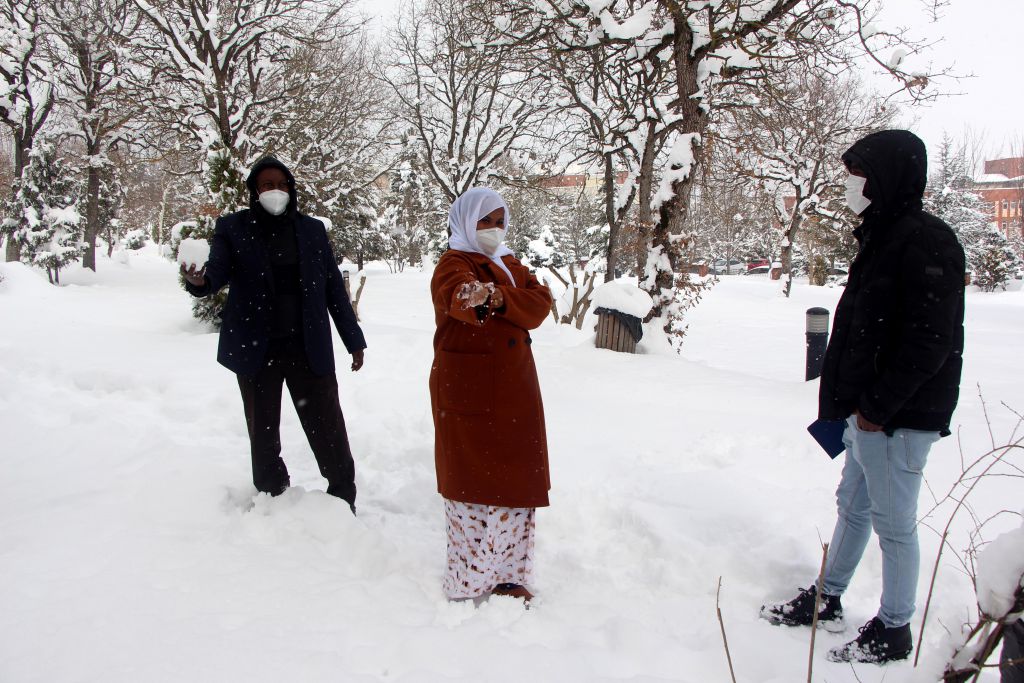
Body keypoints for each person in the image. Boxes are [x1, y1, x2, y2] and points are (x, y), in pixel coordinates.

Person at [760, 130, 966, 664]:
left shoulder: (925, 240)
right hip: (869, 413)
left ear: (889, 176)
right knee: (853, 506)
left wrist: (876, 408)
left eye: (860, 174)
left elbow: (930, 342)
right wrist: (852, 407)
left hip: (899, 416)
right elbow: (865, 330)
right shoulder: (883, 234)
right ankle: (828, 598)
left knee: (894, 524)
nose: (852, 184)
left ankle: (894, 629)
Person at [181, 157, 366, 512]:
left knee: (327, 426)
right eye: (266, 185)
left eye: (280, 184)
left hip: (306, 345)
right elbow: (215, 274)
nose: (274, 191)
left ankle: (343, 496)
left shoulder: (311, 230)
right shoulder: (233, 228)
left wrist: (353, 340)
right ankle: (272, 496)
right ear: (254, 191)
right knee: (263, 430)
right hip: (257, 347)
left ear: (291, 188)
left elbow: (332, 289)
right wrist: (199, 280)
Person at [428, 187, 552, 603]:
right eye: (486, 221)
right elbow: (461, 298)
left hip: (514, 389)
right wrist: (486, 298)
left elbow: (539, 304)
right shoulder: (453, 263)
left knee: (514, 485)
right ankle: (468, 579)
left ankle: (507, 576)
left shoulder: (510, 263)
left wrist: (498, 296)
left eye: (500, 221)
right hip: (469, 391)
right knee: (472, 485)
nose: (494, 229)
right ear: (466, 221)